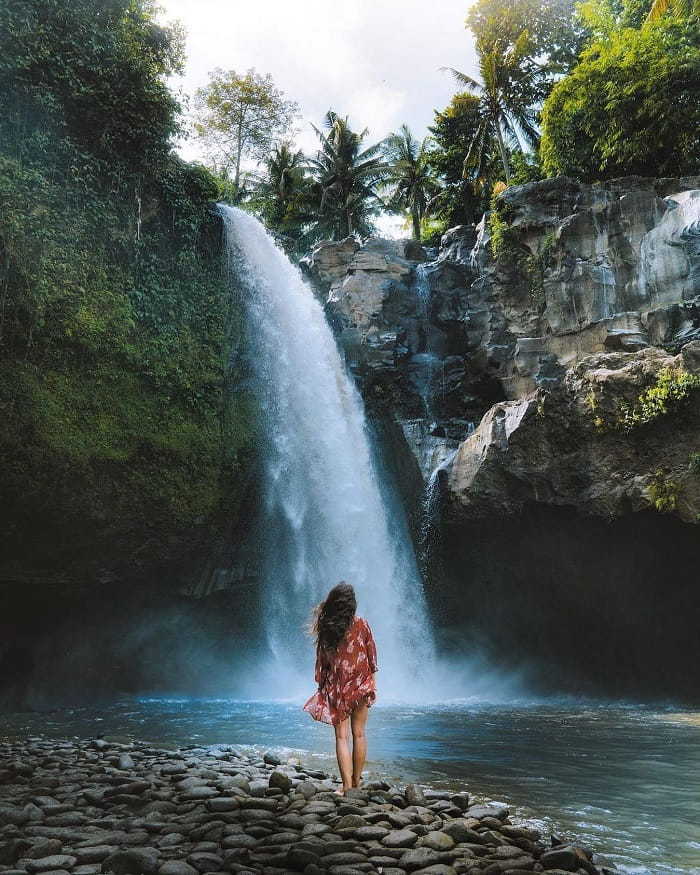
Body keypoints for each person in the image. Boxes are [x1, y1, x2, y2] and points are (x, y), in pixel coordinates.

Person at [303, 582, 378, 793]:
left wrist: (322, 685)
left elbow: (322, 663)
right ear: (351, 605)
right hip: (362, 685)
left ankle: (345, 786)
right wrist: (373, 686)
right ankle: (356, 783)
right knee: (360, 734)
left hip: (338, 688)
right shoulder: (362, 624)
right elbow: (372, 658)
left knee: (342, 737)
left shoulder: (327, 627)